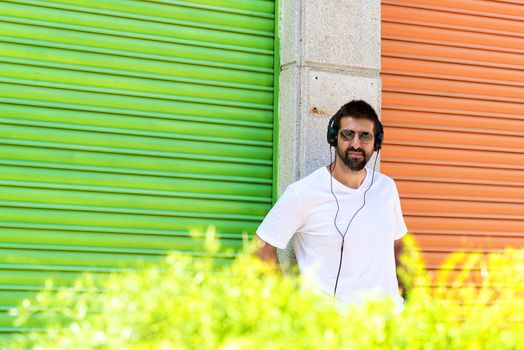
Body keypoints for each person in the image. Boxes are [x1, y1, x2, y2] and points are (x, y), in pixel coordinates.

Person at [255, 100, 407, 306]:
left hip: (388, 322)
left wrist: (412, 302)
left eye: (365, 136)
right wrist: (287, 308)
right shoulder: (303, 193)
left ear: (376, 142)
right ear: (334, 137)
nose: (355, 144)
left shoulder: (386, 188)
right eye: (348, 134)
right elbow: (261, 248)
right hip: (334, 330)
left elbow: (398, 247)